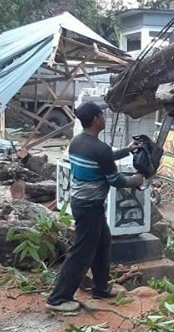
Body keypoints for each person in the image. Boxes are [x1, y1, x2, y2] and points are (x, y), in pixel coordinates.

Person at [45, 101, 143, 312]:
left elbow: (104, 157)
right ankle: (58, 298)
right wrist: (134, 180)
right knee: (81, 252)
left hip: (82, 203)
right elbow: (115, 179)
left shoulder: (78, 142)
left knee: (102, 243)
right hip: (90, 206)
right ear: (97, 119)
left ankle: (100, 287)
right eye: (102, 115)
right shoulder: (100, 149)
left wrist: (126, 150)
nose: (105, 118)